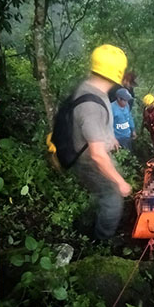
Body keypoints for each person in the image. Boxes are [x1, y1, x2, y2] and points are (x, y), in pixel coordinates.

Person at [67, 44, 133, 240]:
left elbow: (95, 124)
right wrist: (120, 183)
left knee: (105, 191)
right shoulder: (91, 105)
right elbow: (97, 154)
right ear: (118, 73)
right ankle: (101, 243)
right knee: (113, 199)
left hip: (92, 153)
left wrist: (108, 137)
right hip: (89, 161)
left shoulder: (95, 89)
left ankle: (91, 220)